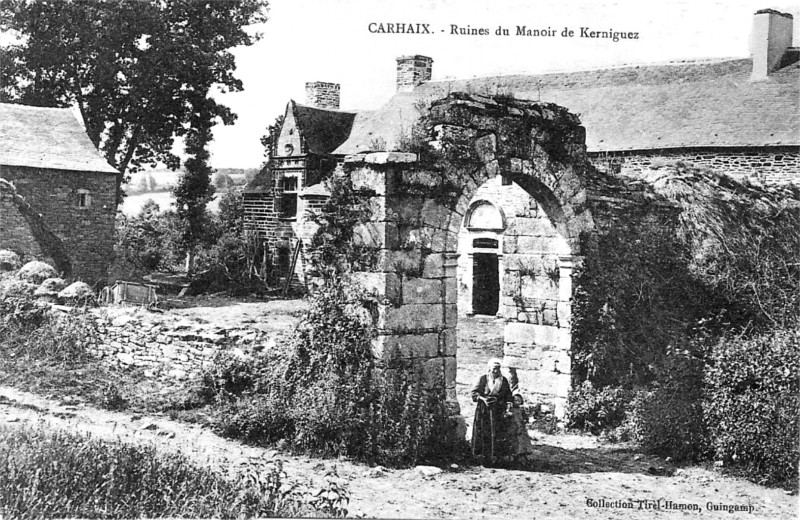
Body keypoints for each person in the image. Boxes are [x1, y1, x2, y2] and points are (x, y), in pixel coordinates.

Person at [471, 358, 513, 465]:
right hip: (484, 410)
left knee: (496, 433)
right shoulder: (483, 379)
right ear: (489, 368)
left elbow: (508, 396)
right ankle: (482, 458)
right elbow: (474, 393)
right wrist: (483, 399)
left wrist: (505, 406)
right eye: (494, 369)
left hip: (497, 410)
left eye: (498, 369)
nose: (496, 371)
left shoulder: (503, 381)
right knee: (484, 431)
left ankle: (496, 458)